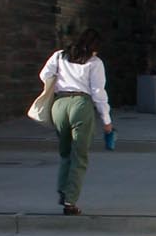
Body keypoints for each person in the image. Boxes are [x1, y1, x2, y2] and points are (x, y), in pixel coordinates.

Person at [38, 20, 114, 214]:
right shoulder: (95, 63)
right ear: (95, 47)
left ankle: (63, 190)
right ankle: (70, 201)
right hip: (81, 104)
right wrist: (106, 120)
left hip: (59, 104)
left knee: (65, 152)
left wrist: (56, 83)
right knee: (79, 155)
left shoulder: (59, 56)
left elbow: (44, 74)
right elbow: (98, 92)